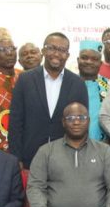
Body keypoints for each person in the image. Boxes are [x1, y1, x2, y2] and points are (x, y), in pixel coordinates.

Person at [8, 32, 89, 167]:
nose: (56, 54)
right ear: (43, 51)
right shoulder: (25, 80)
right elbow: (15, 122)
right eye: (52, 48)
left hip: (66, 161)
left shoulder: (78, 84)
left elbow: (82, 125)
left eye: (62, 50)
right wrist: (16, 157)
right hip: (30, 158)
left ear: (68, 55)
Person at [77, 39, 108, 142]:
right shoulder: (67, 83)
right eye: (84, 58)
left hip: (102, 148)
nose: (89, 62)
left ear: (100, 63)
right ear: (78, 60)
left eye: (94, 59)